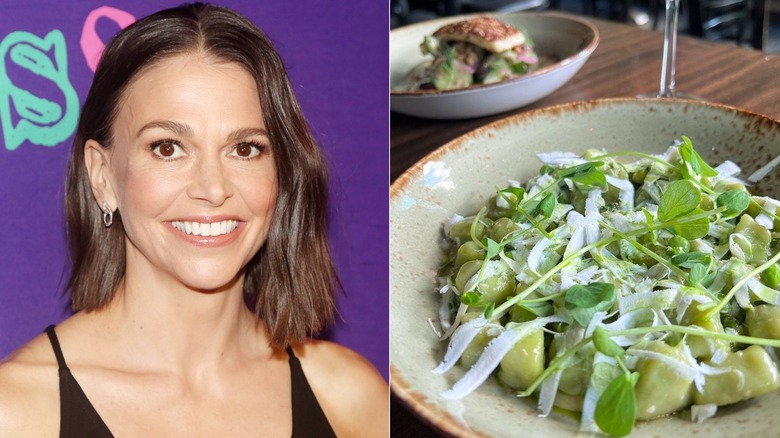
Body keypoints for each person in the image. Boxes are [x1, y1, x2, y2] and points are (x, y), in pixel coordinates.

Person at [0, 3, 388, 437]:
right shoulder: (16, 412)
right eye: (168, 148)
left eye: (245, 149)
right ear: (102, 176)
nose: (213, 187)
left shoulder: (350, 398)